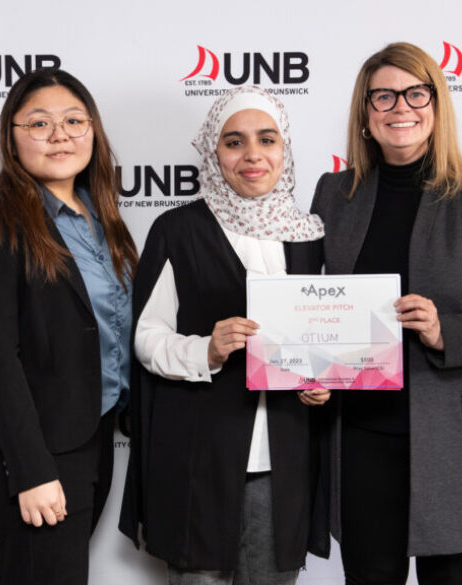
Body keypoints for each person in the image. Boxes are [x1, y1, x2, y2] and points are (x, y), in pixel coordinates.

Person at [309, 42, 462, 585]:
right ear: (366, 113)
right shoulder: (333, 195)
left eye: (416, 93)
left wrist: (445, 332)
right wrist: (306, 366)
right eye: (384, 96)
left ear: (436, 105)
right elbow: (313, 305)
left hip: (456, 443)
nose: (401, 107)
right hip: (361, 438)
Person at [119, 86, 330, 585]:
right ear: (214, 154)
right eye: (233, 142)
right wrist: (204, 350)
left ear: (285, 149)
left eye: (267, 139)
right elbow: (147, 337)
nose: (253, 155)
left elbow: (327, 337)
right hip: (199, 452)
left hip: (284, 458)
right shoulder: (178, 229)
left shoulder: (311, 236)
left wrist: (326, 381)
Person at [0, 67, 137, 585]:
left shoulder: (101, 220)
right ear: (12, 141)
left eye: (74, 121)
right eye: (39, 123)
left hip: (90, 433)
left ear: (93, 131)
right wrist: (31, 471)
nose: (59, 135)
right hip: (33, 448)